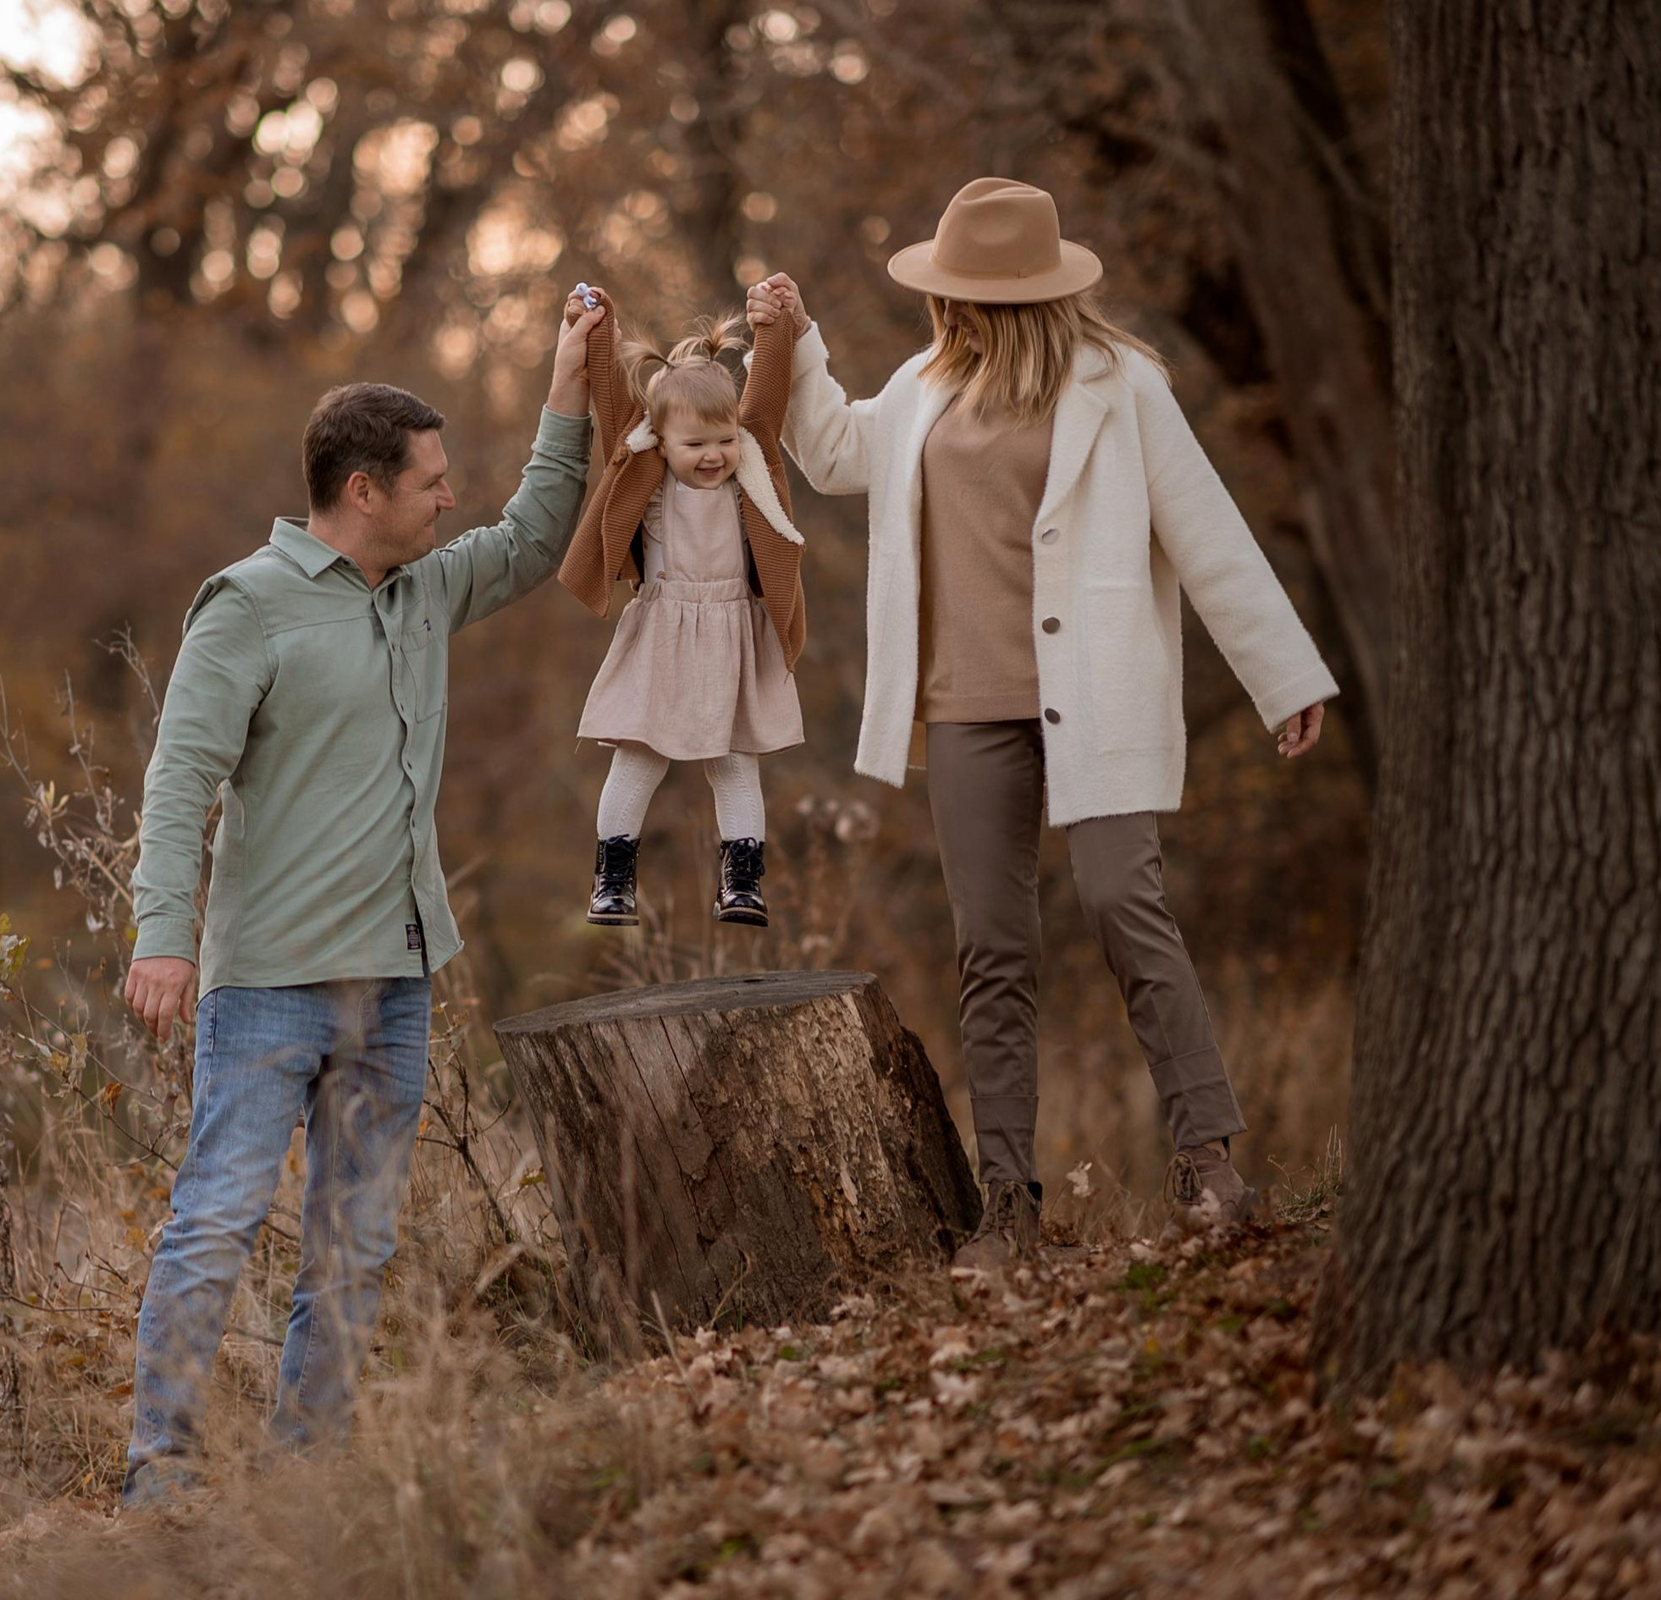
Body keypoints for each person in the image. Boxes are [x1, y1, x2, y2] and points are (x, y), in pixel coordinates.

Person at [751, 177, 1337, 1264]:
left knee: (1125, 905)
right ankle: (1008, 1204)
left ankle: (1209, 1160)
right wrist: (798, 340)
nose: (950, 310)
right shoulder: (924, 386)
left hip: (1096, 694)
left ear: (1018, 295)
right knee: (994, 949)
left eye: (966, 294)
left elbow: (1205, 530)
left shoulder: (1121, 386)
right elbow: (831, 454)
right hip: (965, 707)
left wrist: (1282, 675)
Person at [117, 297, 602, 1502]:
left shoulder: (425, 591)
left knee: (356, 1249)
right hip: (268, 985)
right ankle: (160, 1476)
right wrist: (163, 938)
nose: (450, 499)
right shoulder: (246, 604)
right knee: (217, 1223)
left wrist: (568, 385)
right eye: (430, 482)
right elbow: (180, 781)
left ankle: (308, 1480)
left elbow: (541, 535)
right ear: (362, 491)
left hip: (393, 982)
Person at [557, 284, 808, 928]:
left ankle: (742, 880)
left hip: (732, 631)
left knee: (735, 763)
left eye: (722, 440)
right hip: (663, 629)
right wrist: (599, 324)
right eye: (694, 445)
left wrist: (775, 324)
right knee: (637, 758)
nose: (712, 456)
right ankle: (613, 878)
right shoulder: (644, 466)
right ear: (660, 441)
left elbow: (769, 396)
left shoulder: (749, 462)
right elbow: (613, 404)